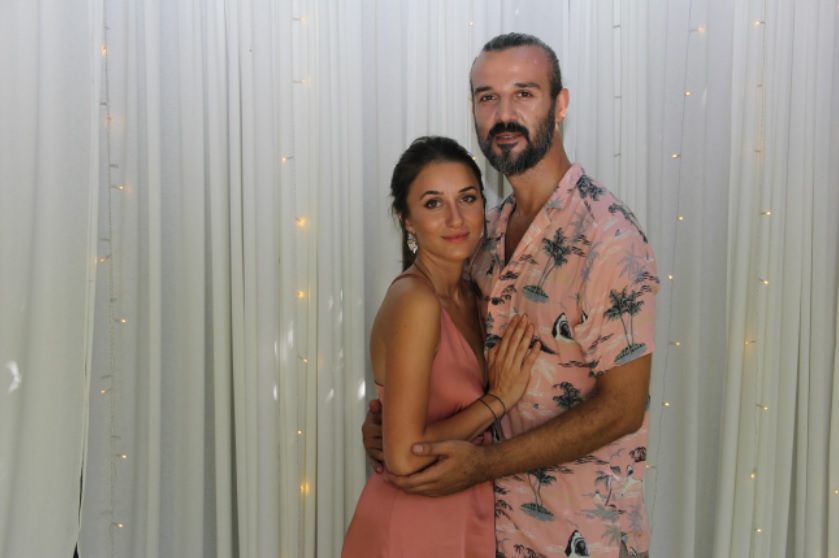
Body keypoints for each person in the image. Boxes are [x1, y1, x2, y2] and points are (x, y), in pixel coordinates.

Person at [362, 34, 659, 558]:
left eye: (524, 93)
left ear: (560, 105)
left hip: (578, 535)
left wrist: (484, 464)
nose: (504, 114)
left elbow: (623, 408)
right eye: (488, 97)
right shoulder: (483, 235)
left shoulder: (609, 239)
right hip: (480, 533)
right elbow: (447, 363)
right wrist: (390, 426)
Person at [342, 136, 541, 557]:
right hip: (413, 528)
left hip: (466, 515)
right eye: (433, 203)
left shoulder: (475, 292)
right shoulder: (416, 301)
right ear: (407, 220)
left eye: (467, 198)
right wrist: (497, 400)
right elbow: (404, 456)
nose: (455, 218)